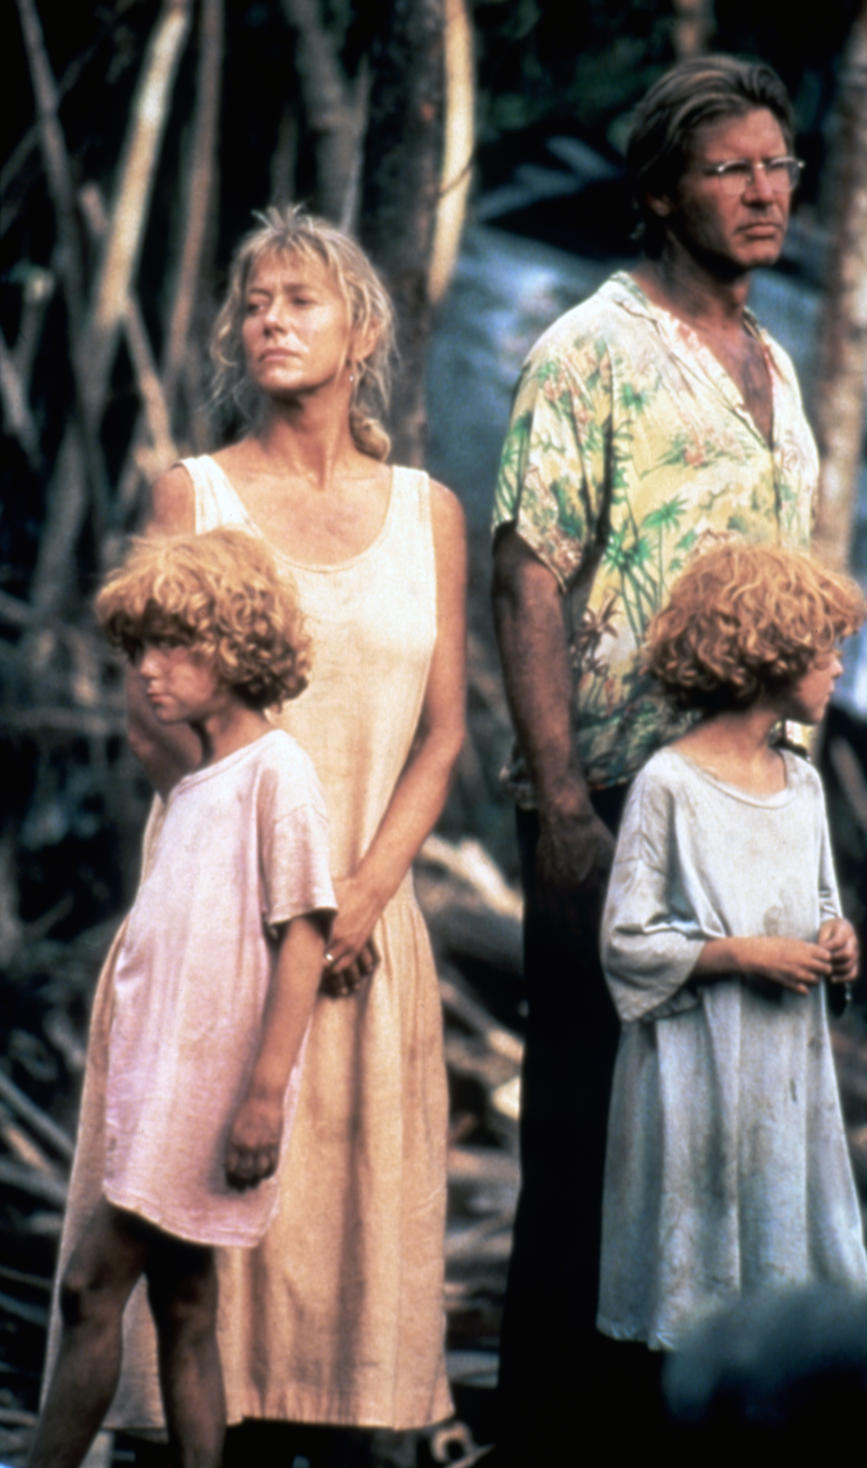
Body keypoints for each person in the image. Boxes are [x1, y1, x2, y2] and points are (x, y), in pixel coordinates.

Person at [47, 207, 466, 1453]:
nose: (270, 320)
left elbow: (442, 736)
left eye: (301, 299)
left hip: (370, 932)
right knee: (185, 1260)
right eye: (255, 303)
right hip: (220, 934)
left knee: (340, 1245)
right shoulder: (199, 492)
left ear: (363, 329)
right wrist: (269, 895)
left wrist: (360, 898)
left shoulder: (428, 510)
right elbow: (150, 717)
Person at [490, 53, 819, 1459]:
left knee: (734, 1118)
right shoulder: (591, 350)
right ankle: (558, 1430)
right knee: (591, 1123)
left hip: (748, 794)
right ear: (659, 192)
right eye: (727, 167)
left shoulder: (777, 360)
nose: (762, 190)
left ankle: (696, 1413)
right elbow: (528, 574)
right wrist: (562, 800)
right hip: (621, 796)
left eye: (776, 164)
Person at [32, 528, 337, 1468]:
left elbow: (306, 936)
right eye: (142, 652)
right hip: (159, 1085)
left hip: (210, 1098)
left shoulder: (275, 775)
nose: (151, 675)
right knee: (185, 1308)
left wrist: (262, 1094)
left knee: (89, 1290)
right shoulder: (195, 786)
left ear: (238, 647)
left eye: (177, 648)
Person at [598, 542, 867, 1377]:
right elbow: (624, 940)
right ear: (768, 650)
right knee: (702, 1263)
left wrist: (839, 945)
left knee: (787, 1253)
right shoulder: (669, 785)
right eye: (823, 645)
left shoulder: (804, 785)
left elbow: (821, 905)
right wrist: (741, 954)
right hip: (698, 1074)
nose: (835, 663)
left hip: (784, 1074)